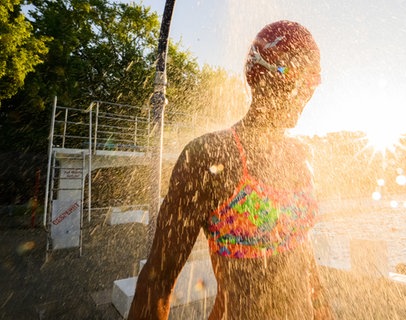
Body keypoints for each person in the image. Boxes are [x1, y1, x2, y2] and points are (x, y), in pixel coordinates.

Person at [129, 20, 332, 319]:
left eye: (315, 80)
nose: (310, 91)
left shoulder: (300, 156)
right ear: (262, 73)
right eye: (303, 78)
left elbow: (305, 261)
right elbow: (158, 280)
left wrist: (325, 311)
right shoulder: (208, 156)